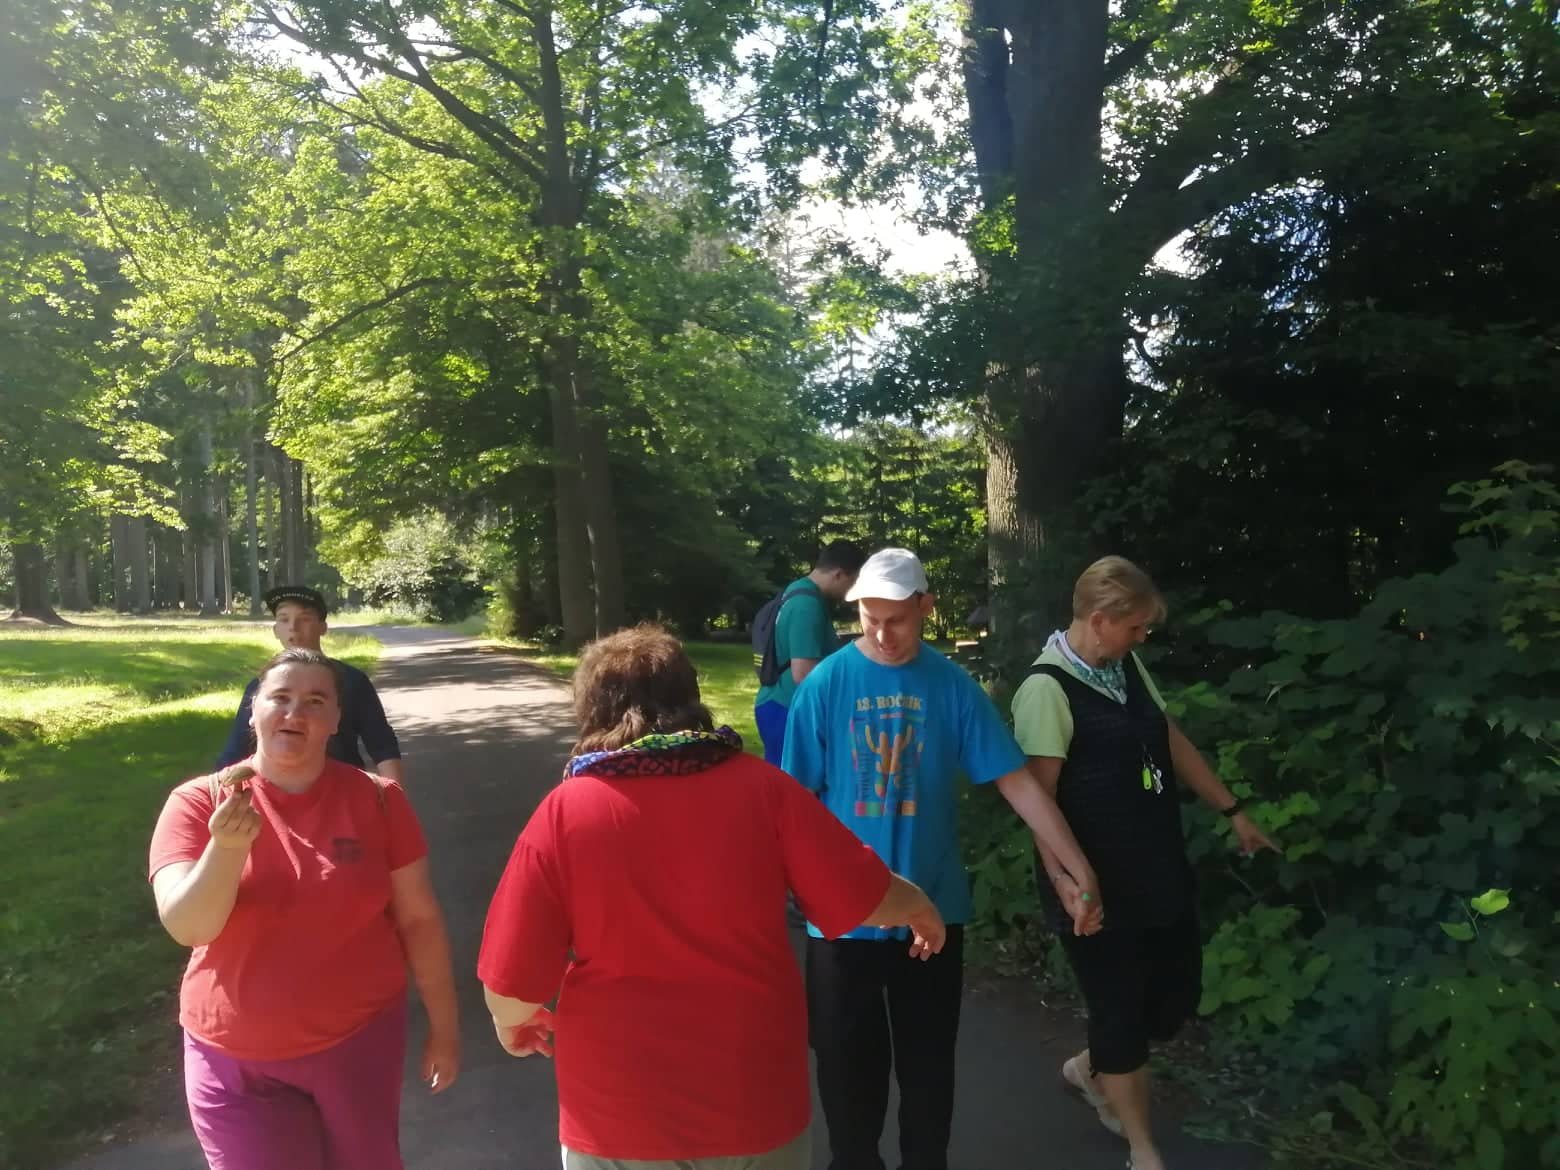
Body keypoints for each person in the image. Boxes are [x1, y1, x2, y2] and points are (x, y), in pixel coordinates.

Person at [477, 624, 947, 1170]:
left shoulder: (565, 813)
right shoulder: (763, 789)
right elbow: (859, 891)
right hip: (753, 1102)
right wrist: (917, 905)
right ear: (691, 698)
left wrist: (511, 1023)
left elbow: (510, 982)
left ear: (591, 713)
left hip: (619, 1114)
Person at [782, 547, 1102, 1170]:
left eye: (897, 620)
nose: (882, 634)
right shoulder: (825, 685)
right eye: (870, 619)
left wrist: (1076, 868)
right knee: (847, 1072)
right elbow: (791, 808)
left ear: (925, 608)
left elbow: (1017, 783)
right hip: (844, 917)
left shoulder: (952, 687)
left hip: (933, 912)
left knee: (927, 1068)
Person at [1010, 555, 1277, 1170]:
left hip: (1156, 866)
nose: (1142, 638)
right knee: (1120, 1012)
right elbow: (1036, 803)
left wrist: (1232, 809)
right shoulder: (1046, 690)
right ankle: (1142, 1147)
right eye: (1135, 627)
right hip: (1092, 886)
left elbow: (1167, 736)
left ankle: (1092, 1066)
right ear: (1100, 620)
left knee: (1173, 998)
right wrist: (1068, 881)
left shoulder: (1123, 666)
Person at [149, 647, 459, 1170]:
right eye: (281, 697)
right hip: (234, 1058)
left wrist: (445, 1030)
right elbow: (188, 926)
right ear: (253, 710)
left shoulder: (380, 800)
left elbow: (418, 920)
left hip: (357, 1041)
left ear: (336, 721)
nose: (295, 712)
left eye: (316, 701)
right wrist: (226, 849)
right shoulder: (198, 802)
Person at [215, 585, 402, 779]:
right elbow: (233, 755)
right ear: (276, 630)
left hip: (344, 791)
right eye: (284, 619)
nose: (293, 627)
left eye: (304, 619)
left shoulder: (353, 681)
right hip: (274, 793)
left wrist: (393, 795)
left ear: (323, 627)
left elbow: (383, 746)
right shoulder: (259, 687)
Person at [754, 539, 867, 767]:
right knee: (791, 785)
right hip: (786, 709)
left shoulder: (798, 590)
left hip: (779, 705)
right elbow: (804, 674)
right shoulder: (807, 605)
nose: (852, 591)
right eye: (853, 581)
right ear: (839, 574)